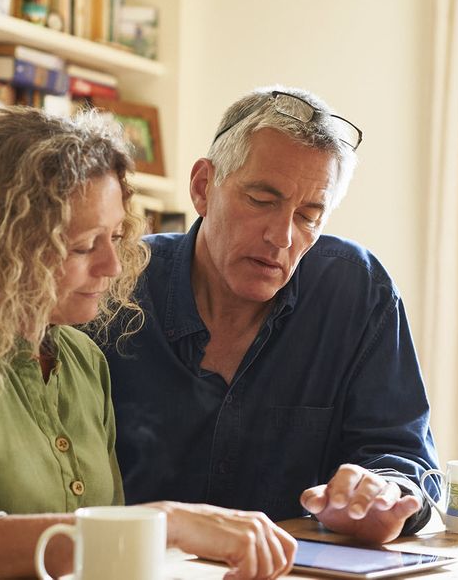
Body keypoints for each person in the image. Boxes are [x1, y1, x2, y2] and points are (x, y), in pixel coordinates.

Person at [0, 107, 296, 579]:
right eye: (86, 245)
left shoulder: (82, 359)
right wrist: (164, 524)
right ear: (2, 248)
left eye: (115, 236)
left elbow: (98, 561)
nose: (113, 265)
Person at [101, 86, 440, 544]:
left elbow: (402, 456)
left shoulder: (357, 292)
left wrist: (383, 495)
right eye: (262, 200)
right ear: (203, 187)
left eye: (309, 216)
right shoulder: (113, 285)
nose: (281, 237)